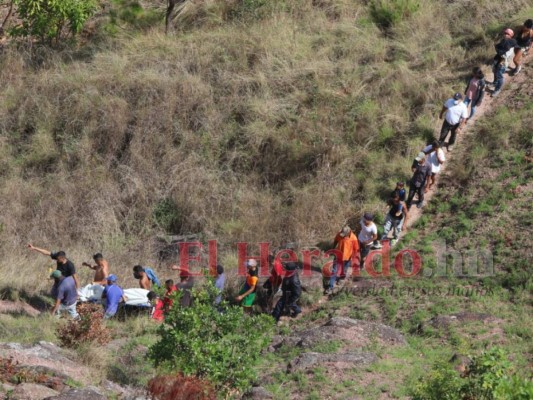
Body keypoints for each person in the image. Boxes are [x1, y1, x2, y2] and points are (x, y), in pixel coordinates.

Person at [327, 225, 359, 293]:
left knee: (345, 268)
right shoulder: (340, 234)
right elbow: (336, 240)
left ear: (348, 233)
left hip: (347, 256)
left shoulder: (353, 238)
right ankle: (330, 287)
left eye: (344, 235)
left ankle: (342, 278)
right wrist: (333, 249)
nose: (342, 235)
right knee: (334, 270)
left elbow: (356, 249)